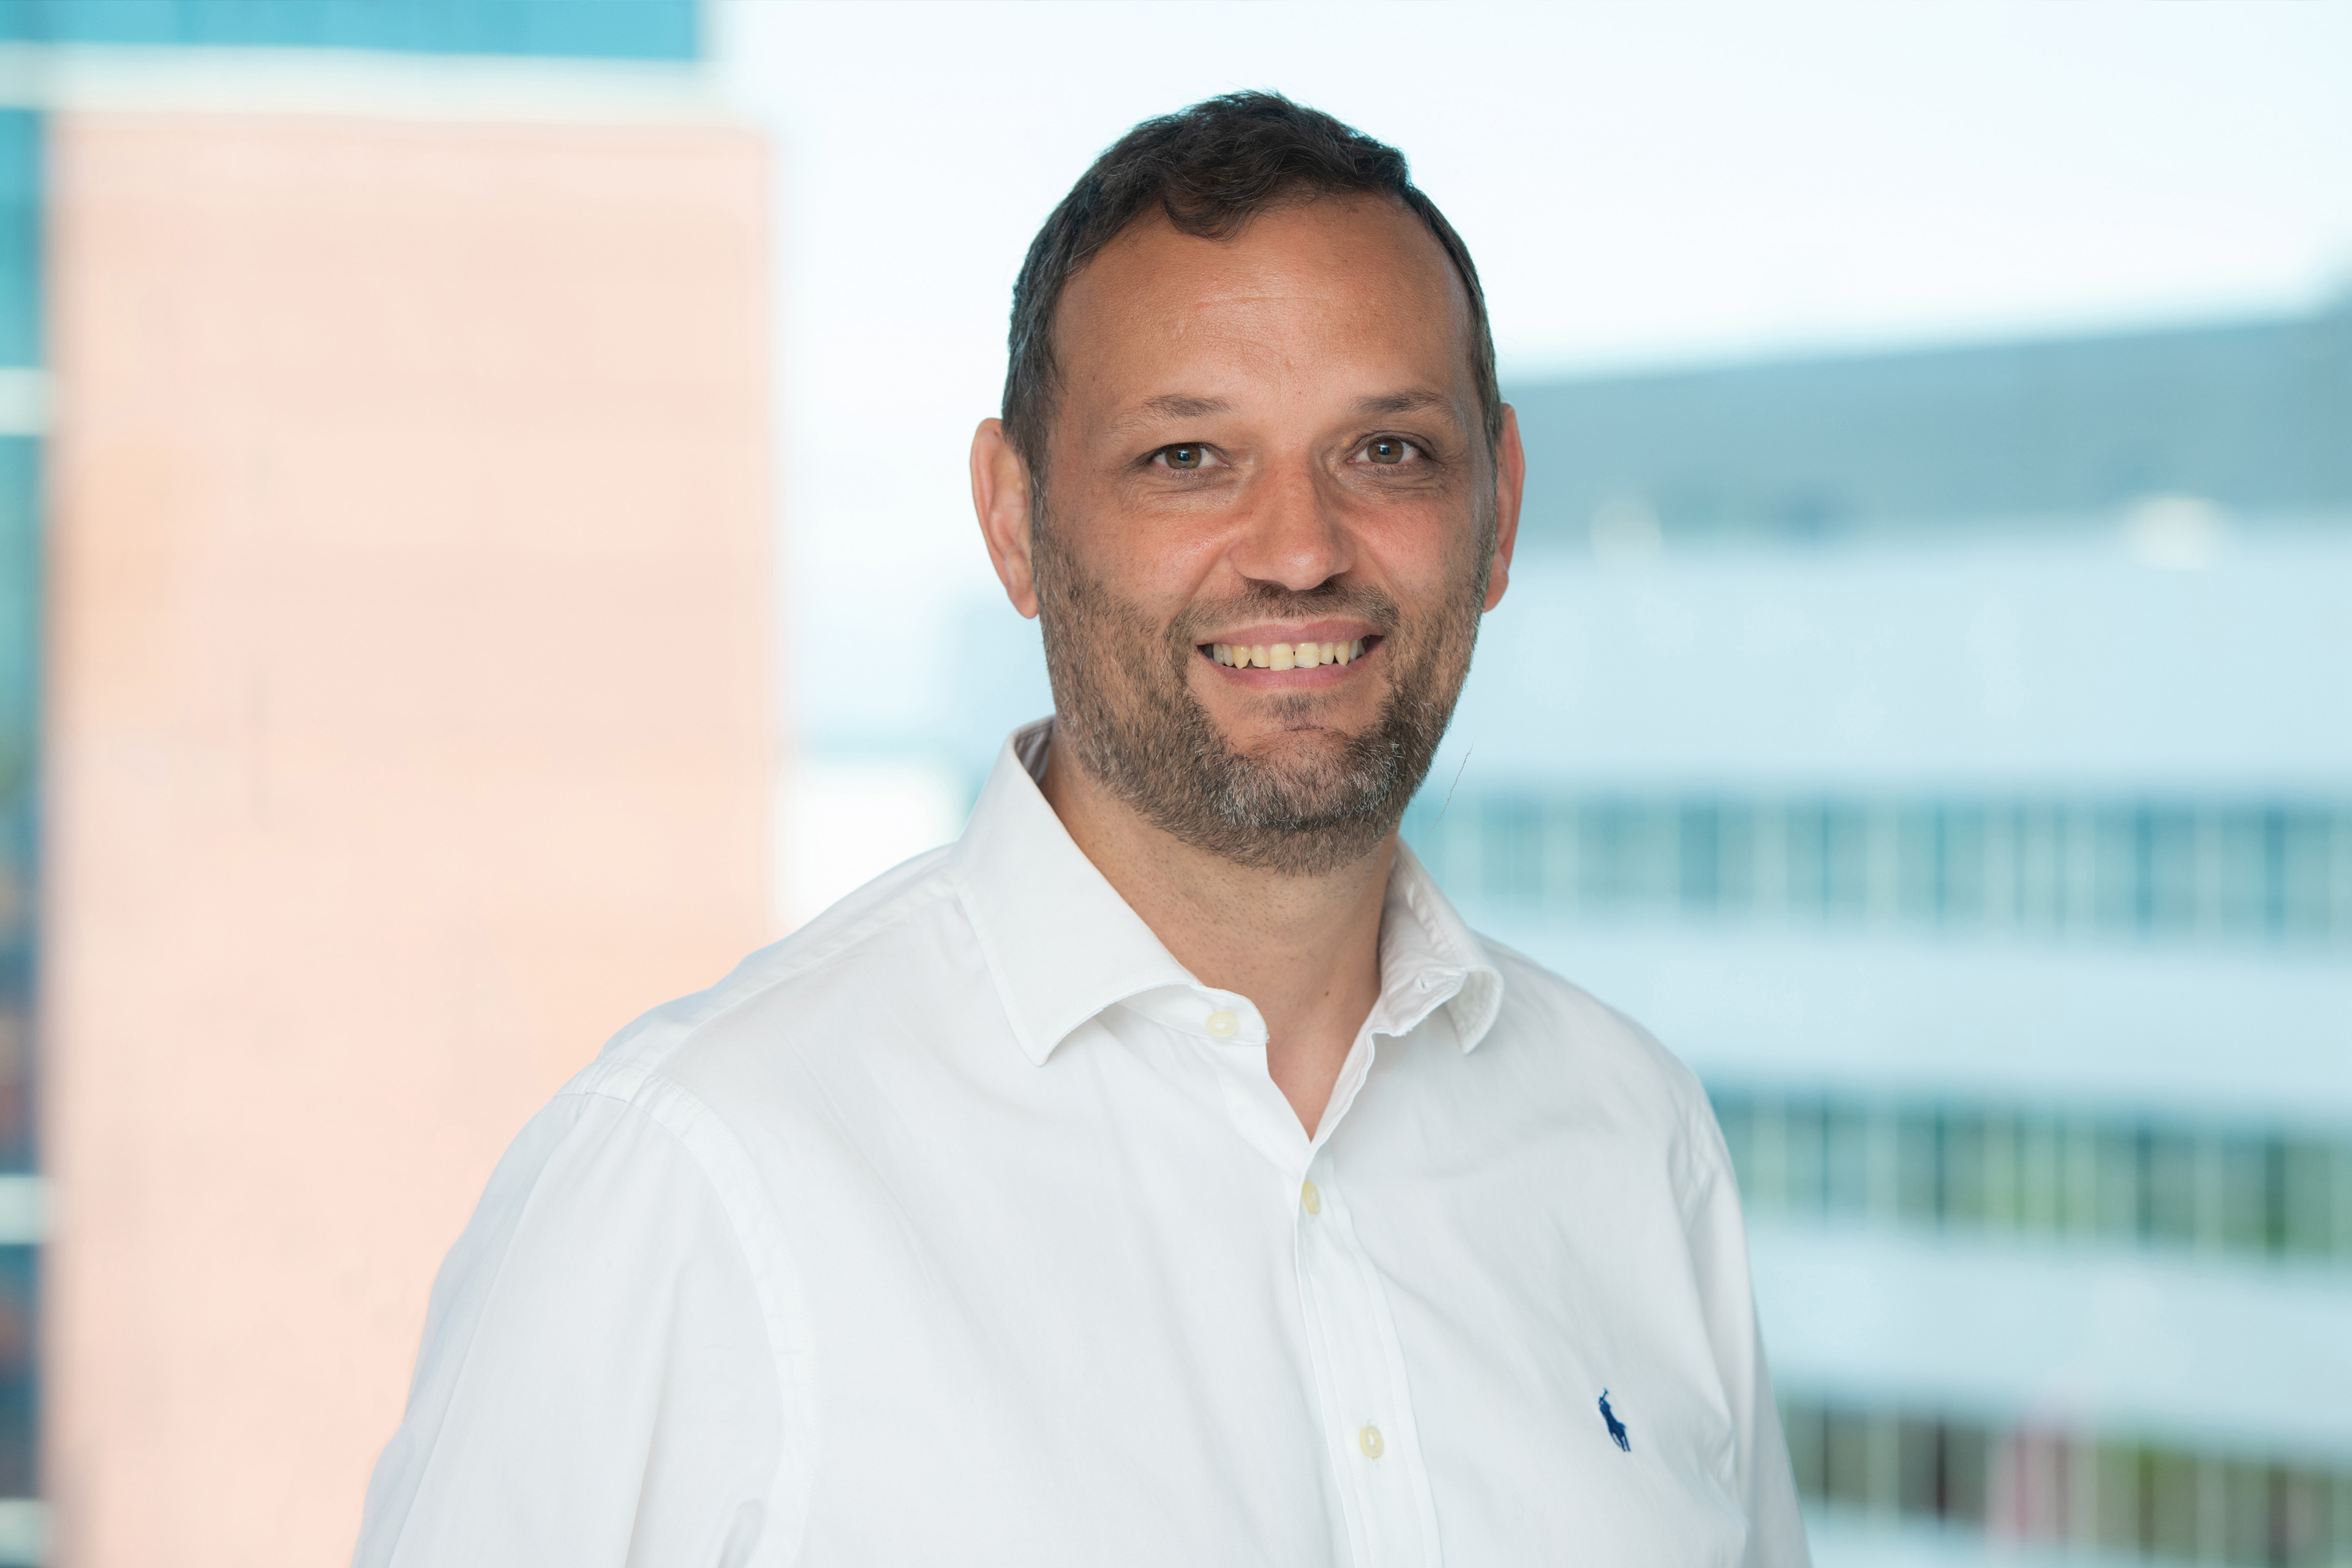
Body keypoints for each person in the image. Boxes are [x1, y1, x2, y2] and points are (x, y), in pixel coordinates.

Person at [353, 91, 1808, 1567]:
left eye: (1386, 452)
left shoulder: (1634, 1139)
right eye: (1188, 457)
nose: (1301, 549)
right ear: (1014, 521)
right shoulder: (698, 1175)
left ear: (1497, 509)